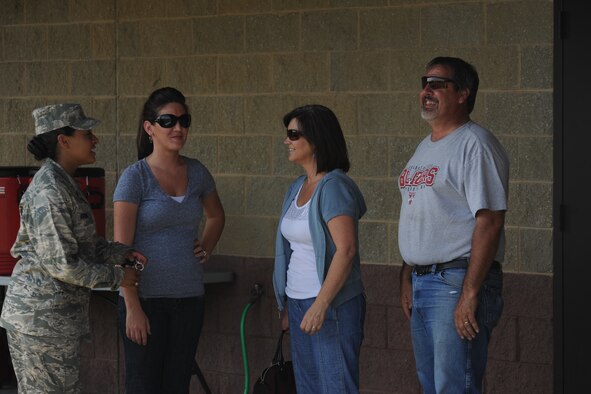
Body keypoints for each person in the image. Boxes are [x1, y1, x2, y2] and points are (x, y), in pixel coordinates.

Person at [0, 103, 146, 393]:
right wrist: (119, 279)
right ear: (63, 140)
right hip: (40, 321)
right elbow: (62, 265)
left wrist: (121, 253)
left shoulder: (64, 183)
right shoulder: (50, 191)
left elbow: (85, 245)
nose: (95, 140)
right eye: (87, 133)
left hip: (53, 321)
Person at [398, 56, 509, 393]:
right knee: (431, 384)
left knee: (454, 385)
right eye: (424, 83)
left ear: (463, 93)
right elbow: (421, 214)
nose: (426, 91)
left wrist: (470, 292)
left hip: (455, 280)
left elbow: (489, 221)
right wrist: (407, 274)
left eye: (437, 84)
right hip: (423, 281)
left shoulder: (475, 144)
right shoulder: (424, 147)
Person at [114, 87, 225, 394]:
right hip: (145, 300)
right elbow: (122, 250)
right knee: (143, 385)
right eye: (168, 121)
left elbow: (216, 216)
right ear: (149, 128)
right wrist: (132, 307)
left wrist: (206, 247)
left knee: (177, 386)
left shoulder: (197, 171)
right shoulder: (134, 177)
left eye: (184, 120)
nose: (178, 128)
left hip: (189, 298)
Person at [273, 104, 367, 393]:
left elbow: (346, 250)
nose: (286, 140)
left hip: (330, 305)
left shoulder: (334, 186)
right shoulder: (299, 186)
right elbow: (290, 250)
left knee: (335, 386)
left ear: (316, 139)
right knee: (309, 387)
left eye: (293, 134)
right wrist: (288, 303)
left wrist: (321, 305)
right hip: (300, 301)